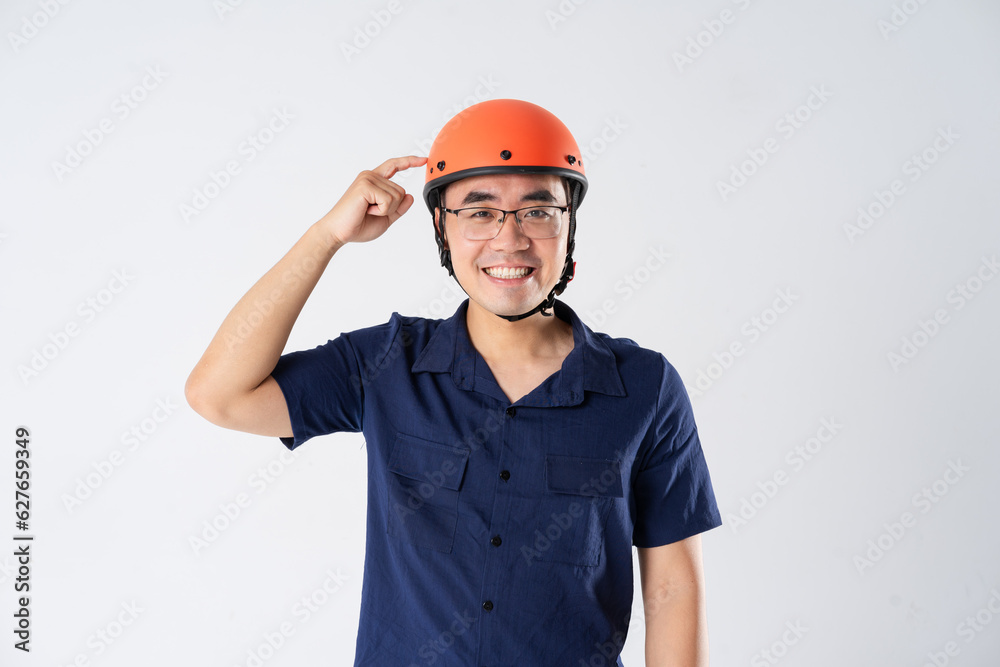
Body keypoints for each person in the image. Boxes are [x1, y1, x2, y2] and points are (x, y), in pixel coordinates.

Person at [185, 98, 722, 666]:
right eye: (480, 212)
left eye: (538, 211)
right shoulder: (386, 364)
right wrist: (326, 237)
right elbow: (219, 395)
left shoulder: (645, 388)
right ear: (442, 227)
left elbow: (671, 591)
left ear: (569, 226)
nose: (510, 240)